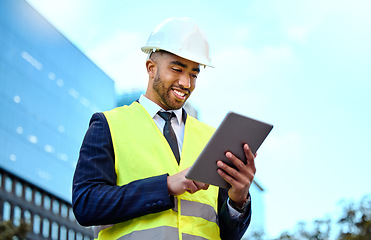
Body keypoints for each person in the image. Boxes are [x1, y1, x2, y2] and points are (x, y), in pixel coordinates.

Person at [72, 17, 257, 240]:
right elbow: (86, 204)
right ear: (151, 68)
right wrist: (167, 185)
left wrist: (238, 200)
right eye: (177, 69)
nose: (186, 83)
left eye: (193, 74)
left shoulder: (212, 138)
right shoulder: (109, 125)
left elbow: (228, 234)